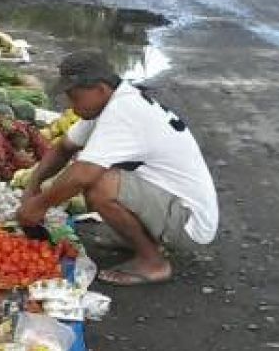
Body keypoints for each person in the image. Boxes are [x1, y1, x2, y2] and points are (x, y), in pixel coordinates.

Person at [16, 51, 219, 286]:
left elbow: (83, 175)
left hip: (189, 222)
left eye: (74, 97)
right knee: (90, 172)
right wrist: (33, 186)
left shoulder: (124, 111)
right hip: (170, 203)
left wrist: (38, 206)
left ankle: (153, 263)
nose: (70, 106)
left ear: (100, 89)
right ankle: (139, 239)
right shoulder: (112, 103)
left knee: (97, 182)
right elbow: (63, 148)